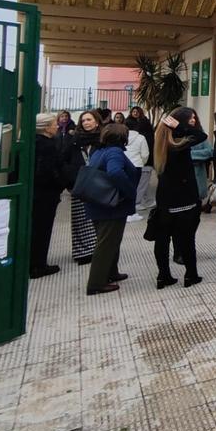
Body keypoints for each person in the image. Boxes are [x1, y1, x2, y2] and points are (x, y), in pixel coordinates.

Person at [152, 107, 208, 289]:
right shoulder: (178, 144)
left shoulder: (161, 141)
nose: (193, 121)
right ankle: (191, 275)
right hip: (185, 199)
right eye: (190, 118)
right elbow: (201, 136)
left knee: (163, 240)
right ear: (180, 121)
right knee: (187, 239)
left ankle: (163, 276)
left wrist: (177, 126)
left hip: (164, 201)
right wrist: (181, 128)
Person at [82, 123, 139, 296]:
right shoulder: (115, 152)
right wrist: (130, 190)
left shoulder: (99, 151)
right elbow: (115, 172)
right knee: (106, 243)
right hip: (111, 206)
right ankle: (96, 283)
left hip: (97, 203)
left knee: (109, 240)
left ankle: (111, 272)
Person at [62, 110, 102, 265]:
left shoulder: (103, 139)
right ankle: (83, 252)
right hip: (80, 184)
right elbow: (64, 160)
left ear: (96, 122)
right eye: (83, 120)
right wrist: (70, 181)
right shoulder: (74, 140)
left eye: (89, 119)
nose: (86, 122)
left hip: (98, 184)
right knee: (80, 218)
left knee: (98, 217)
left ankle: (98, 249)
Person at [30, 113, 64, 279]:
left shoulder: (32, 142)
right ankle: (38, 265)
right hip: (45, 194)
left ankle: (33, 262)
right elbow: (47, 171)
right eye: (53, 124)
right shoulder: (47, 145)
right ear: (45, 127)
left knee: (35, 228)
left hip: (35, 193)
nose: (56, 126)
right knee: (42, 230)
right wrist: (61, 184)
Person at [124, 120, 151, 223]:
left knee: (124, 188)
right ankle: (132, 213)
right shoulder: (141, 138)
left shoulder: (121, 136)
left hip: (124, 165)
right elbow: (145, 154)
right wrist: (142, 163)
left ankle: (124, 212)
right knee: (134, 189)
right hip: (137, 166)